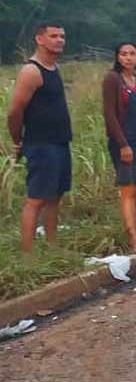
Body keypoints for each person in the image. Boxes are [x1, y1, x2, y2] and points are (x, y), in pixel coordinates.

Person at [7, 22, 72, 254]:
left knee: (55, 196)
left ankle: (52, 248)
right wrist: (18, 140)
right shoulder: (31, 71)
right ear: (40, 39)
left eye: (62, 36)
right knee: (36, 199)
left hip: (60, 141)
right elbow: (15, 111)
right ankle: (28, 256)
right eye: (53, 36)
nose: (59, 40)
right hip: (41, 144)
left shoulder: (54, 68)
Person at [102, 41, 136, 255]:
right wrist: (123, 144)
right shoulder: (112, 80)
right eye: (123, 54)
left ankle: (135, 231)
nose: (128, 57)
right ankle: (133, 239)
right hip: (123, 140)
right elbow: (109, 114)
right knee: (128, 188)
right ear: (117, 57)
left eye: (132, 53)